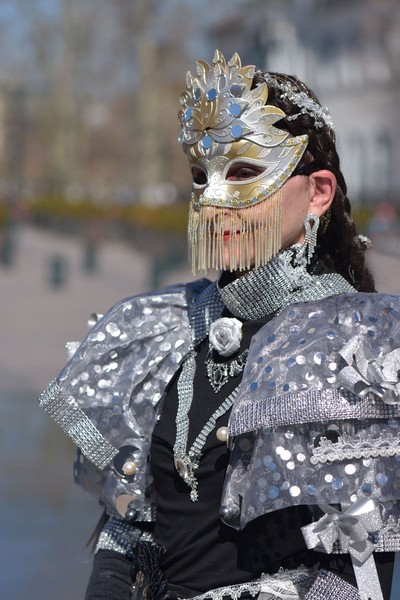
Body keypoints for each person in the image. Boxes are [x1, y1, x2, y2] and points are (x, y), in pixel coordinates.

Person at [39, 50, 400, 600]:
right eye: (199, 175)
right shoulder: (163, 326)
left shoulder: (359, 345)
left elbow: (356, 569)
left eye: (245, 172)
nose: (212, 198)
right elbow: (134, 517)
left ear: (318, 192)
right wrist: (111, 577)